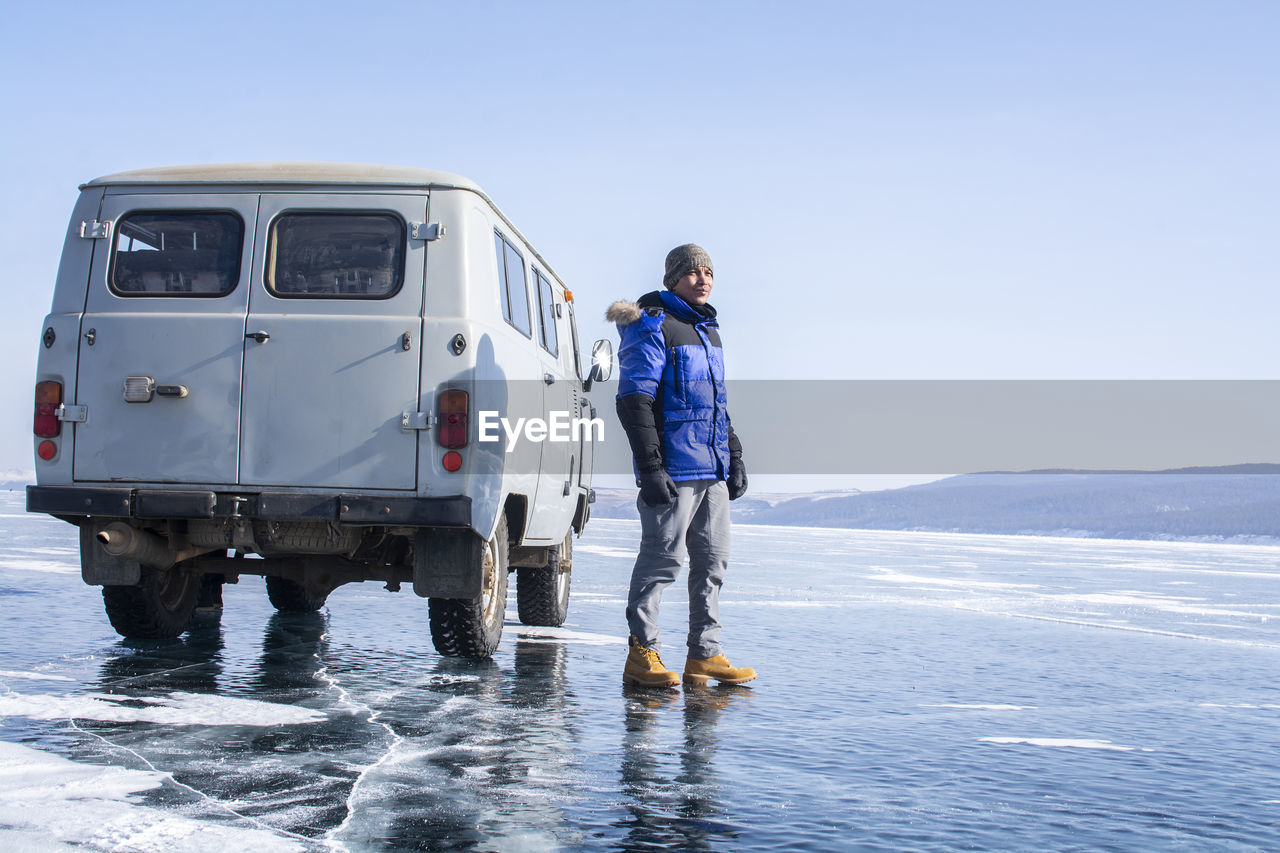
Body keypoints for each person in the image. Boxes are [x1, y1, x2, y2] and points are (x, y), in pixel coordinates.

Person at [606, 243, 756, 689]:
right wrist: (651, 467)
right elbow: (634, 400)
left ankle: (704, 655)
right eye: (692, 272)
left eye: (708, 271)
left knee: (712, 561)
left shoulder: (708, 332)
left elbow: (716, 404)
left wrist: (734, 454)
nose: (703, 278)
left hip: (711, 469)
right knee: (663, 559)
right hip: (673, 468)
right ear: (673, 278)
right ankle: (642, 652)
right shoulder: (652, 324)